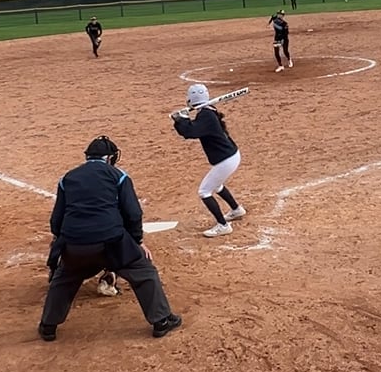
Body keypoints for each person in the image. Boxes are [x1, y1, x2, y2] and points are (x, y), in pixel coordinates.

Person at [38, 136, 182, 341]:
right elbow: (133, 213)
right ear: (109, 158)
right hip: (111, 242)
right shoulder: (119, 176)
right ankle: (162, 321)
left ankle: (48, 326)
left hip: (75, 244)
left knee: (64, 277)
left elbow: (56, 220)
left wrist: (63, 243)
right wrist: (137, 242)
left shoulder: (67, 178)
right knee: (144, 271)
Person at [171, 83, 246, 237]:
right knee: (216, 185)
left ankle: (223, 225)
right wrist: (181, 120)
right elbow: (193, 128)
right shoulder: (208, 111)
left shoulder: (206, 115)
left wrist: (181, 120)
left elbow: (190, 132)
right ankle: (236, 209)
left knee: (204, 191)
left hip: (226, 160)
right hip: (229, 156)